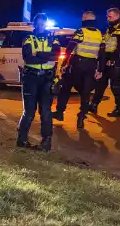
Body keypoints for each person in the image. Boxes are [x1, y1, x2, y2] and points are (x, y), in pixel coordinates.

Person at [53, 11, 104, 130]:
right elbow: (102, 53)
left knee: (66, 87)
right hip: (91, 65)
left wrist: (65, 63)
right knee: (85, 93)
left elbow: (69, 49)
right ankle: (81, 116)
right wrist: (100, 69)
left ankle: (60, 112)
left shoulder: (81, 32)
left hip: (77, 64)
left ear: (85, 19)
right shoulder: (99, 34)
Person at [16, 13, 60, 152]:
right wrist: (46, 57)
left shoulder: (53, 38)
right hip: (31, 78)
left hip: (47, 79)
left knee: (46, 112)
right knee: (29, 111)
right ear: (34, 24)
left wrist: (38, 55)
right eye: (38, 23)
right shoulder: (28, 38)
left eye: (43, 23)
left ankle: (46, 143)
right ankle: (21, 140)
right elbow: (28, 58)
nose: (40, 26)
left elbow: (56, 54)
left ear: (45, 24)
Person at [89, 6, 120, 117]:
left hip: (117, 60)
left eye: (110, 16)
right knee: (100, 83)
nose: (107, 18)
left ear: (117, 15)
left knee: (115, 85)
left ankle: (119, 109)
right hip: (107, 59)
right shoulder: (111, 27)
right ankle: (93, 105)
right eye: (107, 16)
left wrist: (113, 59)